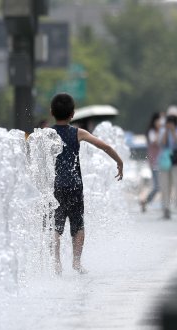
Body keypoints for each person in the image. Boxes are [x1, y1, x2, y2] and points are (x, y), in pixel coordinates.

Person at [49, 93, 123, 275]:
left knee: (55, 227)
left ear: (52, 112)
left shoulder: (46, 134)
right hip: (74, 186)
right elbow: (104, 146)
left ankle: (57, 264)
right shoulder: (78, 133)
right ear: (73, 114)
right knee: (78, 225)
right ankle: (76, 262)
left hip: (55, 186)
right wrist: (119, 161)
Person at [140, 112, 163, 212]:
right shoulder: (152, 131)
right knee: (157, 186)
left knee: (160, 185)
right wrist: (159, 130)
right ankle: (145, 201)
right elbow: (155, 142)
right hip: (154, 161)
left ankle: (147, 202)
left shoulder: (162, 131)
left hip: (162, 161)